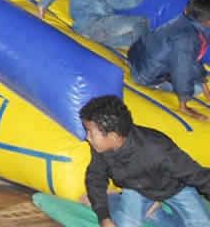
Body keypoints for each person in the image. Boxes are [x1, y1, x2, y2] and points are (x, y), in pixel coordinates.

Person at [79, 95, 210, 227]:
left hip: (174, 188)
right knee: (125, 224)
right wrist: (103, 216)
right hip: (136, 189)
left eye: (90, 133)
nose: (87, 138)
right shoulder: (101, 148)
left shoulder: (157, 150)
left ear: (113, 136)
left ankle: (152, 210)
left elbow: (199, 176)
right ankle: (115, 200)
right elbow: (96, 177)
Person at [127, 0, 210, 122]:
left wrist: (206, 87)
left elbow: (192, 59)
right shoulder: (187, 38)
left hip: (136, 53)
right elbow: (181, 71)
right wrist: (184, 104)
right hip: (143, 75)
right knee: (195, 88)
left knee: (198, 79)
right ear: (207, 22)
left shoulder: (184, 19)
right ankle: (158, 86)